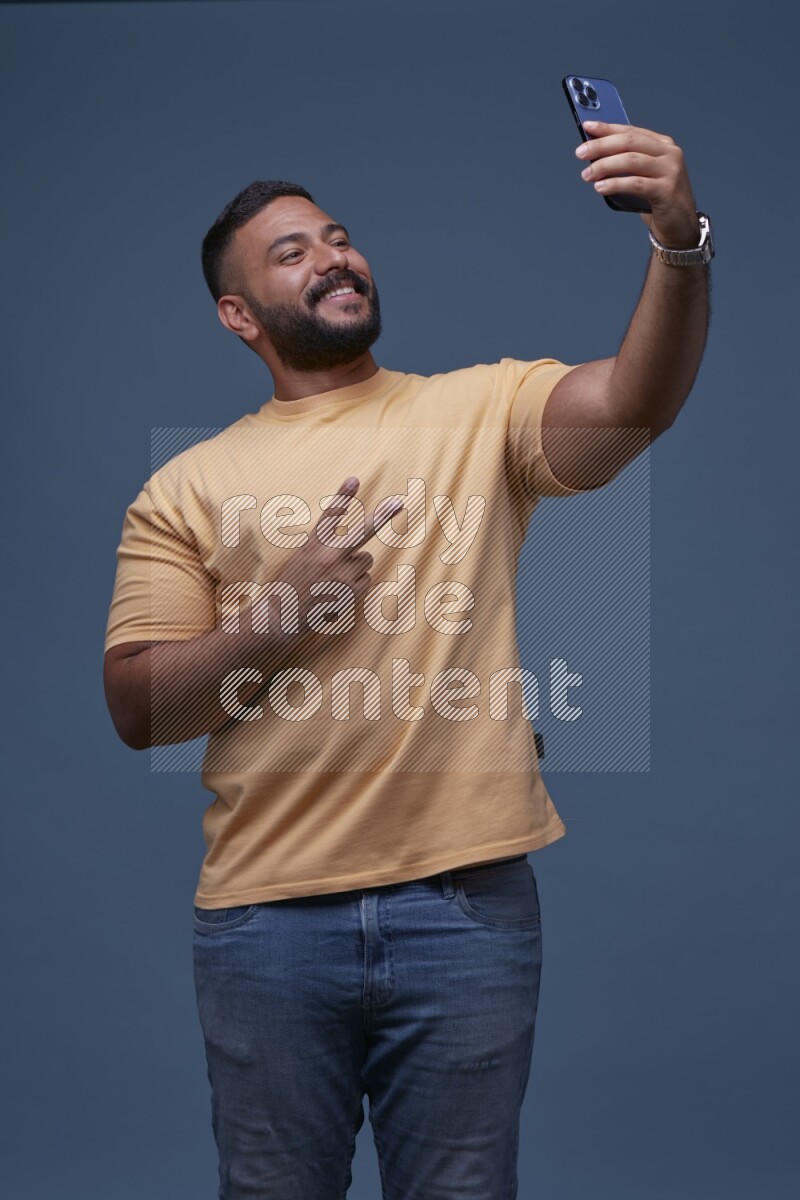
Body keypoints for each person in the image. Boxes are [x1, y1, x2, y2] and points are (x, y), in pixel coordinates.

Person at [103, 120, 711, 1199]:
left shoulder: (478, 408)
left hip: (465, 915)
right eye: (291, 252)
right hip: (266, 924)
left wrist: (678, 241)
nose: (333, 254)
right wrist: (279, 613)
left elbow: (631, 406)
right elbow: (141, 708)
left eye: (337, 236)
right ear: (238, 316)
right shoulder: (185, 486)